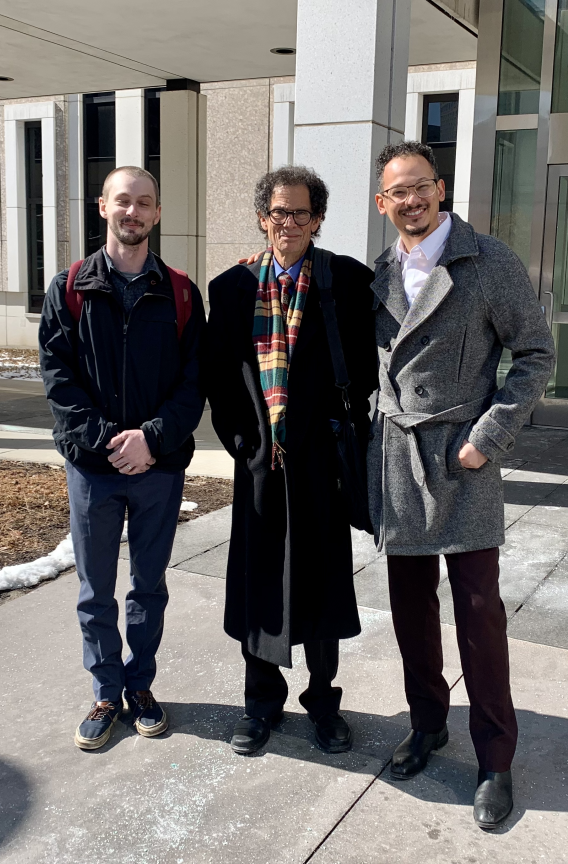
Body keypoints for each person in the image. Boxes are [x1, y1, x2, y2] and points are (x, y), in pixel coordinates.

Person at [369, 141, 555, 829]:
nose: (410, 201)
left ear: (440, 190)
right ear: (382, 203)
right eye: (397, 192)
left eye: (421, 187)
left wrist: (488, 437)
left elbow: (536, 353)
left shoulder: (487, 260)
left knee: (480, 615)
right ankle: (426, 725)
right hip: (399, 460)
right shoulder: (380, 272)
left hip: (462, 457)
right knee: (411, 611)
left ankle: (495, 760)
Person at [204, 166, 378, 755]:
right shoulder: (230, 288)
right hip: (260, 467)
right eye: (280, 212)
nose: (290, 223)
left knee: (324, 588)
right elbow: (221, 378)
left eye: (302, 213)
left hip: (321, 468)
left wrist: (337, 440)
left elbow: (363, 369)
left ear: (318, 219)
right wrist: (245, 445)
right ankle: (260, 704)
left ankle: (323, 703)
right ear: (263, 217)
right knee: (259, 586)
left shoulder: (347, 281)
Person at [39, 166, 205, 751]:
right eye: (122, 201)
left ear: (157, 213)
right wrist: (113, 439)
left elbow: (193, 384)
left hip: (158, 469)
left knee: (148, 585)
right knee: (95, 588)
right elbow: (59, 383)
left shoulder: (182, 292)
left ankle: (141, 686)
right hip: (93, 469)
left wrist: (152, 440)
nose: (132, 212)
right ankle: (106, 690)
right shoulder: (69, 288)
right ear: (102, 207)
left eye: (144, 203)